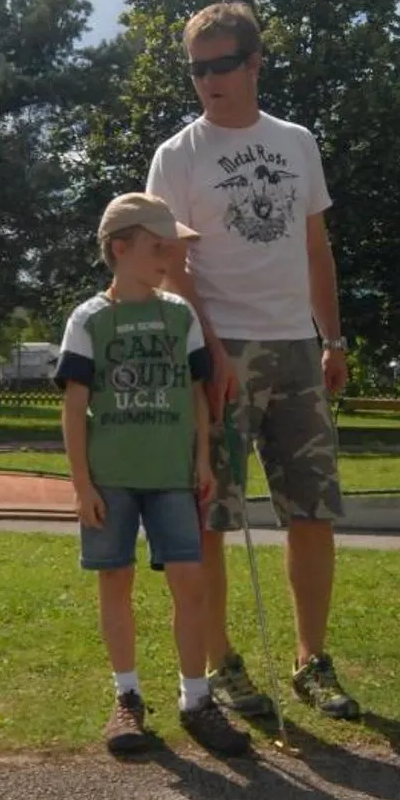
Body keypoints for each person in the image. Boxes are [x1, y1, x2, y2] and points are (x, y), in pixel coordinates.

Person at [145, 1, 360, 722]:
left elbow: (317, 249)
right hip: (221, 352)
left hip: (297, 349)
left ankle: (312, 661)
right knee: (212, 517)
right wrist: (208, 350)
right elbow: (170, 267)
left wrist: (332, 339)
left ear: (255, 63)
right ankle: (222, 661)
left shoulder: (297, 143)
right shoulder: (178, 155)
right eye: (197, 68)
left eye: (223, 65)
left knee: (313, 511)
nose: (209, 80)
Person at [56, 194, 252, 759]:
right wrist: (82, 485)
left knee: (190, 584)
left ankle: (197, 700)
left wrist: (201, 460)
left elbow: (196, 393)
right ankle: (127, 699)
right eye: (157, 245)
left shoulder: (180, 315)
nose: (169, 255)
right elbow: (73, 407)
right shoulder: (89, 319)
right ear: (120, 248)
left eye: (171, 246)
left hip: (172, 477)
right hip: (110, 479)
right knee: (115, 582)